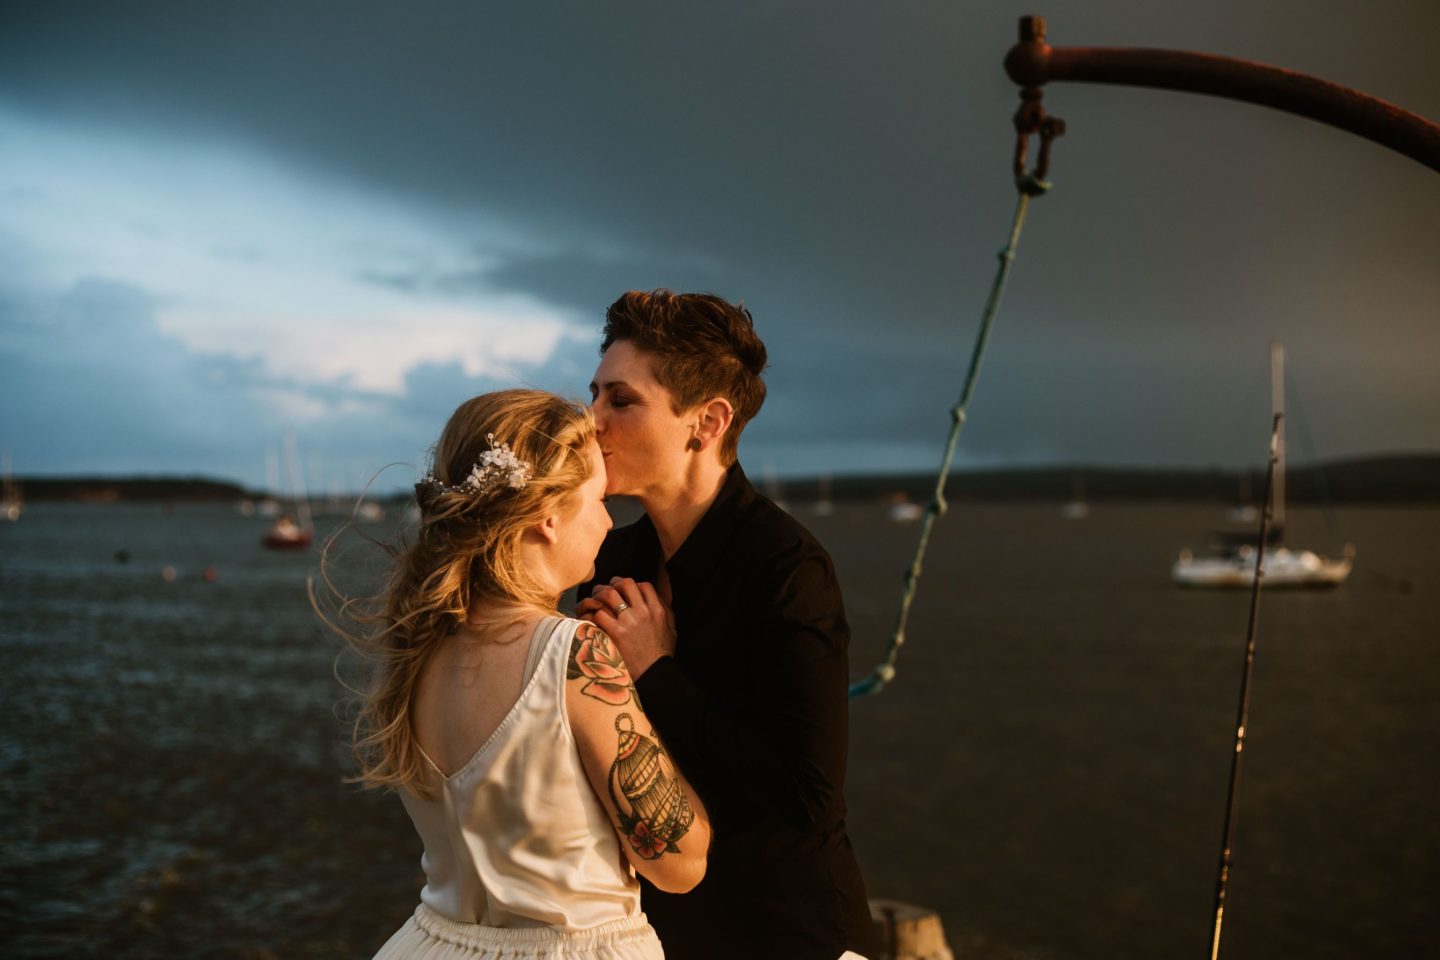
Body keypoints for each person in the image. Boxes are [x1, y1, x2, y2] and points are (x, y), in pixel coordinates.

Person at [326, 389, 710, 960]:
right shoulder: (573, 654)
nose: (608, 521)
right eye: (599, 499)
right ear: (547, 516)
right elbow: (680, 864)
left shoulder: (416, 650)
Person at [577, 291, 879, 960]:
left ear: (707, 422)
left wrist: (657, 670)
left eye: (620, 401)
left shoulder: (785, 566)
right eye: (593, 395)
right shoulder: (614, 558)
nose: (589, 422)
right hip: (649, 931)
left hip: (782, 931)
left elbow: (807, 798)